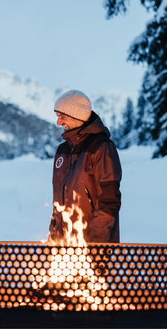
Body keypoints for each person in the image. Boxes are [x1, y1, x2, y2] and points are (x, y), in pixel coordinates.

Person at [48, 90, 122, 244]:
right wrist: (54, 238)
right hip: (64, 246)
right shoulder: (63, 151)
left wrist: (96, 245)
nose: (58, 122)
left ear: (77, 115)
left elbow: (109, 201)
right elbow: (58, 203)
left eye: (63, 117)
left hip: (91, 245)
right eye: (57, 117)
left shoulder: (101, 148)